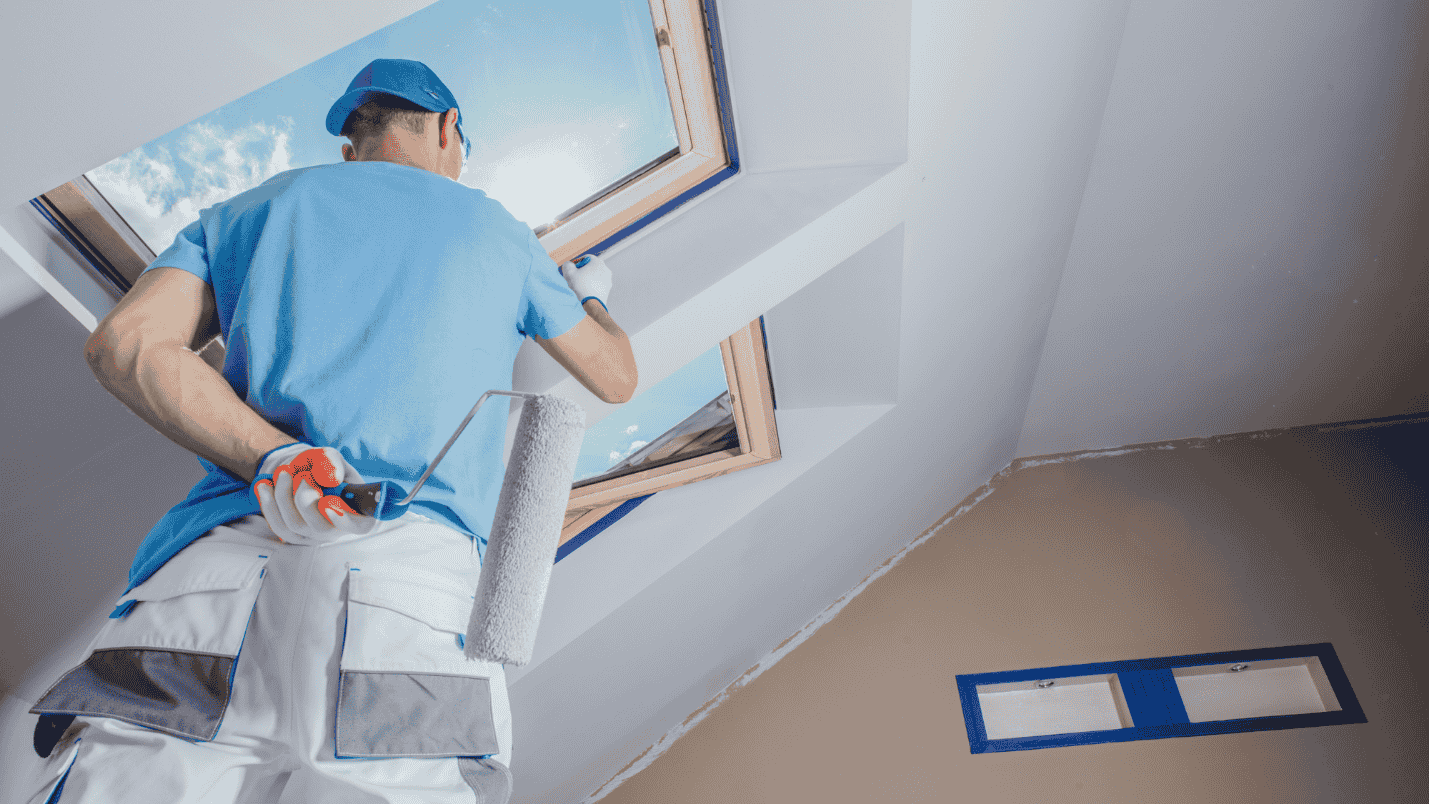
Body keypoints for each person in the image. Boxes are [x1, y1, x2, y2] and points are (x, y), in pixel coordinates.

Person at [26, 58, 637, 804]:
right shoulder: (498, 233)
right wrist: (592, 297)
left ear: (353, 145)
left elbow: (124, 345)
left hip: (212, 582)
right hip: (407, 591)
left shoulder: (253, 207)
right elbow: (614, 376)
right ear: (447, 129)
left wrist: (279, 456)